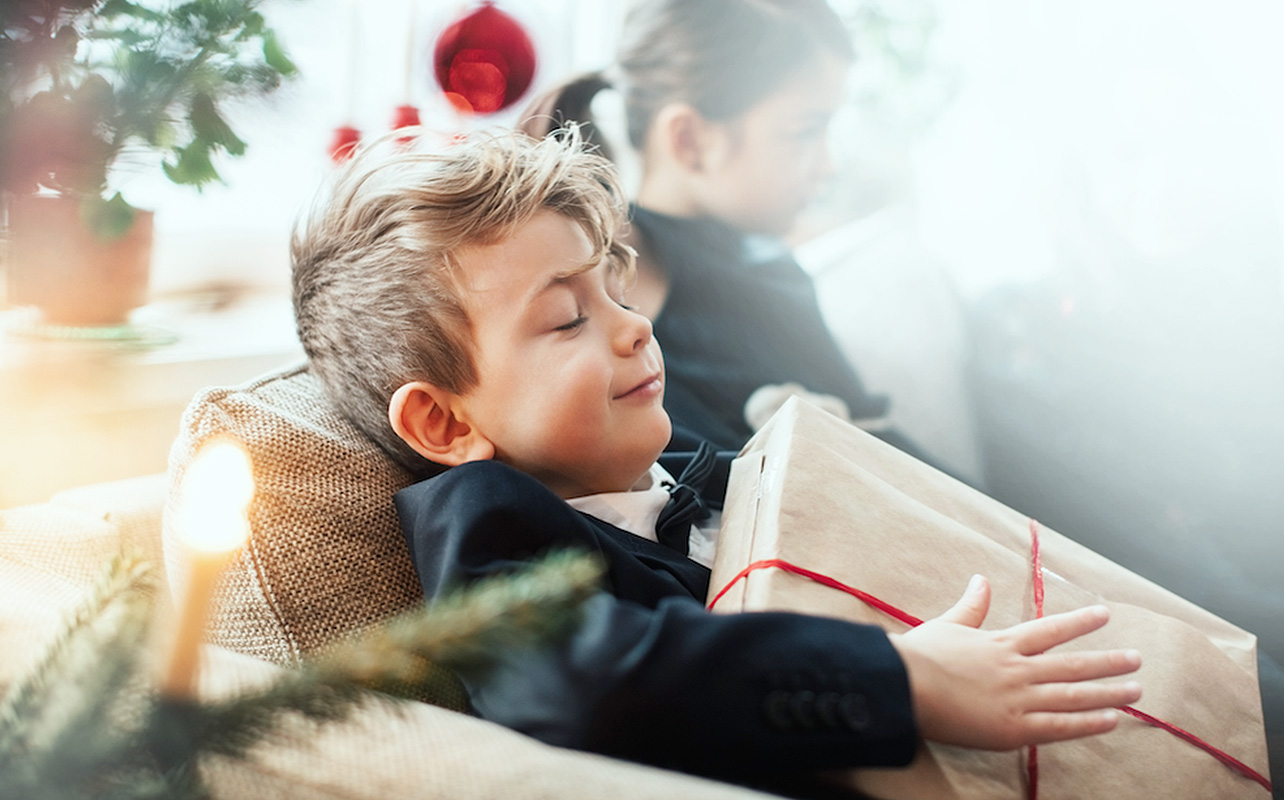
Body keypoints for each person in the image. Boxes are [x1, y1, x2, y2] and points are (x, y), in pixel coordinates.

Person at [290, 127, 1142, 791]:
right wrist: (899, 679)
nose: (633, 325)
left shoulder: (706, 465)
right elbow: (579, 684)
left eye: (615, 292)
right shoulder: (486, 520)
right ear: (442, 424)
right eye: (565, 320)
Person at [519, 0, 917, 455]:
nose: (828, 165)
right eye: (804, 131)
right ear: (690, 140)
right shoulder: (622, 303)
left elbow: (873, 441)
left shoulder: (770, 271)